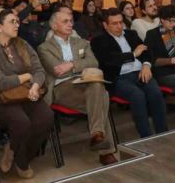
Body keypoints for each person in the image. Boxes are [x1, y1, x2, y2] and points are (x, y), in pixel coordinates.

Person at [0, 8, 54, 179]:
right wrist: (26, 77)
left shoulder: (22, 44)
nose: (17, 24)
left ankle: (19, 156)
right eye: (12, 22)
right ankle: (19, 157)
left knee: (46, 117)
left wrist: (35, 86)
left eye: (17, 21)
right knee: (21, 121)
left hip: (23, 94)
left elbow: (39, 70)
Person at [38, 9, 117, 165]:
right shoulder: (44, 48)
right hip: (62, 88)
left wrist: (71, 64)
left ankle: (97, 135)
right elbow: (57, 71)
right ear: (54, 26)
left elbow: (94, 62)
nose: (70, 24)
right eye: (65, 21)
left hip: (86, 83)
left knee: (97, 88)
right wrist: (79, 65)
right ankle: (106, 151)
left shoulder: (81, 42)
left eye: (71, 21)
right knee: (102, 98)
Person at [91, 9, 168, 138]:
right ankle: (146, 137)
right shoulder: (99, 40)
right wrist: (133, 54)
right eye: (114, 23)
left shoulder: (131, 34)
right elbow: (109, 60)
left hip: (140, 72)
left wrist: (146, 65)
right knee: (137, 96)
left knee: (155, 93)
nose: (119, 26)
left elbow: (146, 52)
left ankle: (163, 133)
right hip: (119, 77)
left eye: (121, 22)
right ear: (105, 25)